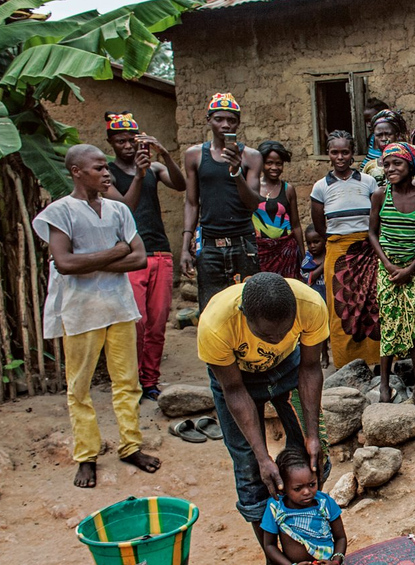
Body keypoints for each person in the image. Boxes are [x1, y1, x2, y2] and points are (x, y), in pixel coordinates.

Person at [32, 144, 162, 489]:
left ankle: (130, 444)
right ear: (76, 171)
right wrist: (115, 252)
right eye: (98, 168)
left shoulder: (118, 210)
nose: (106, 173)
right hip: (81, 311)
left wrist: (93, 260)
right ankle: (86, 456)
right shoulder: (60, 212)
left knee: (127, 382)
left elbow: (139, 258)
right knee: (80, 387)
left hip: (118, 306)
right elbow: (65, 263)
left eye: (106, 167)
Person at [198, 272, 329, 565]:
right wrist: (261, 456)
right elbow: (233, 389)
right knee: (251, 474)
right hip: (238, 382)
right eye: (267, 334)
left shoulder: (310, 305)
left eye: (284, 331)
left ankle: (308, 545)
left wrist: (312, 435)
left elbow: (311, 368)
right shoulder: (216, 324)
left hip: (290, 369)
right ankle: (274, 562)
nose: (275, 339)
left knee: (313, 461)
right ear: (246, 316)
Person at [102, 112, 185, 402]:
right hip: (130, 255)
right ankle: (132, 379)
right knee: (135, 322)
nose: (127, 145)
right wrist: (138, 175)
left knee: (158, 322)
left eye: (132, 140)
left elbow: (181, 184)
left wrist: (165, 154)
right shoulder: (108, 173)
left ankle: (150, 381)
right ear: (111, 142)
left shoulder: (155, 168)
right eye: (121, 140)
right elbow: (126, 206)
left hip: (160, 251)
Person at [368, 142, 415, 405]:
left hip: (413, 269)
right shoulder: (380, 195)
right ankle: (385, 384)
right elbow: (372, 233)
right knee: (389, 323)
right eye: (386, 164)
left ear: (412, 166)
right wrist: (387, 263)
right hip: (387, 269)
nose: (390, 168)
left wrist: (412, 269)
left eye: (397, 163)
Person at [181, 93, 263, 310]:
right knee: (211, 309)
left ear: (238, 123)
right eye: (219, 119)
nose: (225, 124)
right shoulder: (194, 155)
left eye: (231, 120)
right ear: (208, 120)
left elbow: (253, 203)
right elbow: (191, 203)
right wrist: (184, 246)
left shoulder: (251, 157)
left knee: (247, 308)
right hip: (209, 243)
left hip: (243, 242)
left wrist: (236, 172)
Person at [310, 130, 381, 368]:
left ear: (352, 154)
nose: (340, 157)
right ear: (328, 155)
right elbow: (320, 225)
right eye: (334, 152)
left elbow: (376, 217)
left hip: (368, 250)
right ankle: (344, 363)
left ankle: (374, 359)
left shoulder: (368, 182)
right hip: (338, 250)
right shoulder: (321, 187)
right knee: (341, 309)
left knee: (370, 303)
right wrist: (340, 241)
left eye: (345, 152)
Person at [253, 140, 304, 279]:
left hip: (286, 251)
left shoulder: (288, 190)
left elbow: (296, 225)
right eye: (269, 163)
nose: (274, 167)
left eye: (279, 163)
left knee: (288, 289)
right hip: (260, 251)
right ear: (261, 163)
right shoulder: (252, 188)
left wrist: (303, 255)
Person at [362, 109, 408, 185]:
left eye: (388, 134)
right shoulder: (370, 166)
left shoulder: (407, 164)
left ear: (396, 135)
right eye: (379, 135)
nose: (384, 139)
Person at [301, 223, 327, 301]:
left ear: (325, 239)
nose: (312, 246)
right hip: (316, 298)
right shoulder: (308, 259)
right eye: (309, 243)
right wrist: (323, 265)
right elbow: (307, 277)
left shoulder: (330, 254)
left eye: (316, 242)